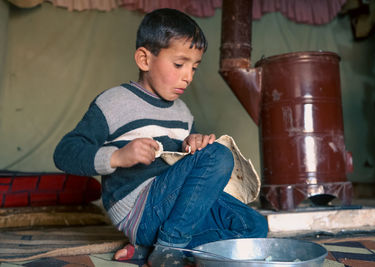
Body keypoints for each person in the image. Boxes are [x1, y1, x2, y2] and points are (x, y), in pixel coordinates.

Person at [53, 8, 268, 267]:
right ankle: (169, 246)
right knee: (219, 155)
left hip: (177, 211)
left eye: (194, 67)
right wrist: (117, 156)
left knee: (255, 225)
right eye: (179, 64)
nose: (188, 76)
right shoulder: (114, 103)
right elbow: (65, 152)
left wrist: (193, 143)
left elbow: (191, 171)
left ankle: (151, 250)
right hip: (140, 211)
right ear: (144, 59)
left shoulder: (183, 113)